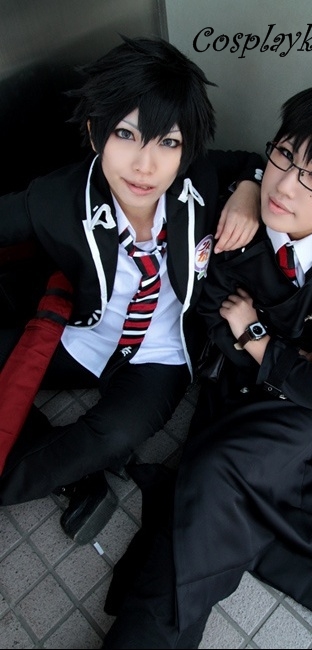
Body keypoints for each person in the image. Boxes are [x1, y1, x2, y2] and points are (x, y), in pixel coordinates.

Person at [101, 79, 312, 648]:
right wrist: (248, 181)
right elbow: (215, 313)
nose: (286, 185)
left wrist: (259, 338)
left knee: (213, 471)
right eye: (285, 154)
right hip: (240, 381)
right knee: (209, 479)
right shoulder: (241, 220)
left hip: (305, 410)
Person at [0, 35, 264, 544]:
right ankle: (68, 473)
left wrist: (249, 189)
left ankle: (22, 481)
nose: (146, 166)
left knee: (111, 436)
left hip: (162, 353)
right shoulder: (57, 197)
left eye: (168, 142)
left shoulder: (200, 179)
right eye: (126, 134)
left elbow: (253, 161)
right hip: (86, 334)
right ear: (94, 131)